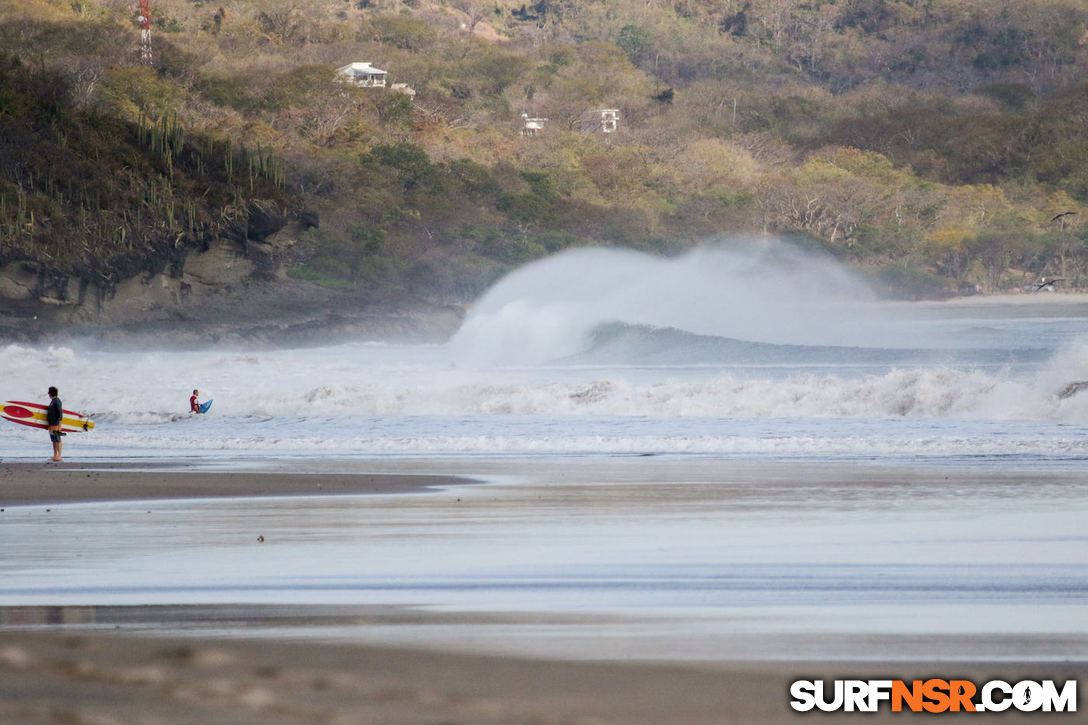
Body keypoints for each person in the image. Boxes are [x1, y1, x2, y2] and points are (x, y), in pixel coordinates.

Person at [46, 386, 63, 462]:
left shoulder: (57, 401)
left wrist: (59, 426)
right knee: (53, 440)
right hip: (51, 424)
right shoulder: (52, 401)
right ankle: (55, 455)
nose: (48, 394)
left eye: (49, 393)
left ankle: (59, 456)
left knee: (58, 439)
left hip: (56, 424)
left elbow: (60, 414)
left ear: (51, 393)